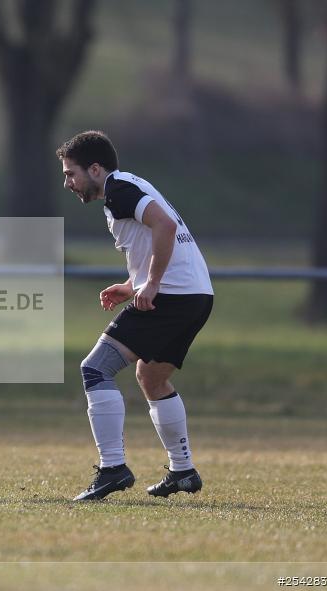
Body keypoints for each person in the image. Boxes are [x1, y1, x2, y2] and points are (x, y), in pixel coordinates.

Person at [56, 130, 213, 501]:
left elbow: (166, 226)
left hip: (173, 296)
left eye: (70, 173)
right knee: (152, 378)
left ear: (95, 169)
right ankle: (183, 470)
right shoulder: (125, 189)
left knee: (95, 368)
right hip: (195, 295)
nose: (68, 183)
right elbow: (153, 237)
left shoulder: (119, 190)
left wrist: (153, 284)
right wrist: (134, 284)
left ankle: (113, 469)